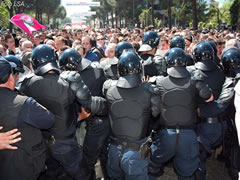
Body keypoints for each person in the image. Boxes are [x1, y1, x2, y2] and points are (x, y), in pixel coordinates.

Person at [19, 44, 105, 179]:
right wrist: (108, 105)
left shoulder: (26, 84)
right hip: (66, 144)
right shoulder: (68, 80)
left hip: (41, 144)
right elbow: (89, 103)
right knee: (84, 175)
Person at [149, 48, 213, 180]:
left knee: (152, 167)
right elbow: (209, 97)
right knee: (187, 174)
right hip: (188, 135)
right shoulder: (194, 80)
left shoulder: (160, 81)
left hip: (167, 134)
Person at [102, 51, 161, 179]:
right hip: (135, 153)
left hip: (113, 149)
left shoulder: (109, 90)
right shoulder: (148, 92)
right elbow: (156, 113)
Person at [0, 58, 55, 180]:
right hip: (23, 168)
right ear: (10, 77)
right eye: (15, 74)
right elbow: (49, 120)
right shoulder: (23, 103)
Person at [59, 48, 110, 179]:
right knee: (104, 155)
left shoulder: (67, 80)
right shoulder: (98, 70)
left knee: (87, 160)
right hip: (103, 119)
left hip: (87, 122)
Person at [187, 41, 225, 180]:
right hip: (218, 124)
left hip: (200, 126)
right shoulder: (221, 72)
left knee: (198, 161)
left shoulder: (191, 73)